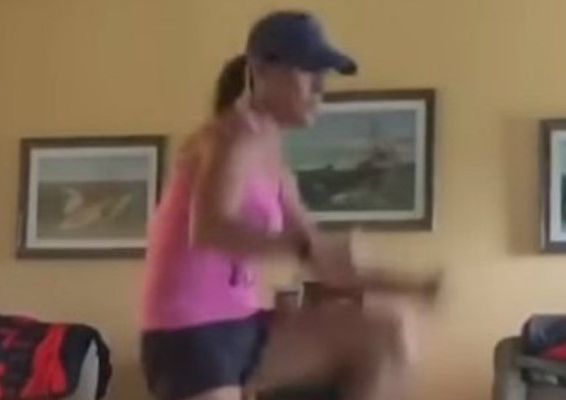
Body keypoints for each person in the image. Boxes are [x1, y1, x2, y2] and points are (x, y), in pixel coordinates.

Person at [140, 10, 440, 400]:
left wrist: (414, 286)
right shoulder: (230, 135)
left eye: (324, 75)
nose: (320, 87)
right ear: (261, 71)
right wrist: (303, 247)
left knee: (385, 333)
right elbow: (210, 228)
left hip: (246, 325)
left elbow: (322, 257)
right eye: (308, 72)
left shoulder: (274, 157)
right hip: (190, 333)